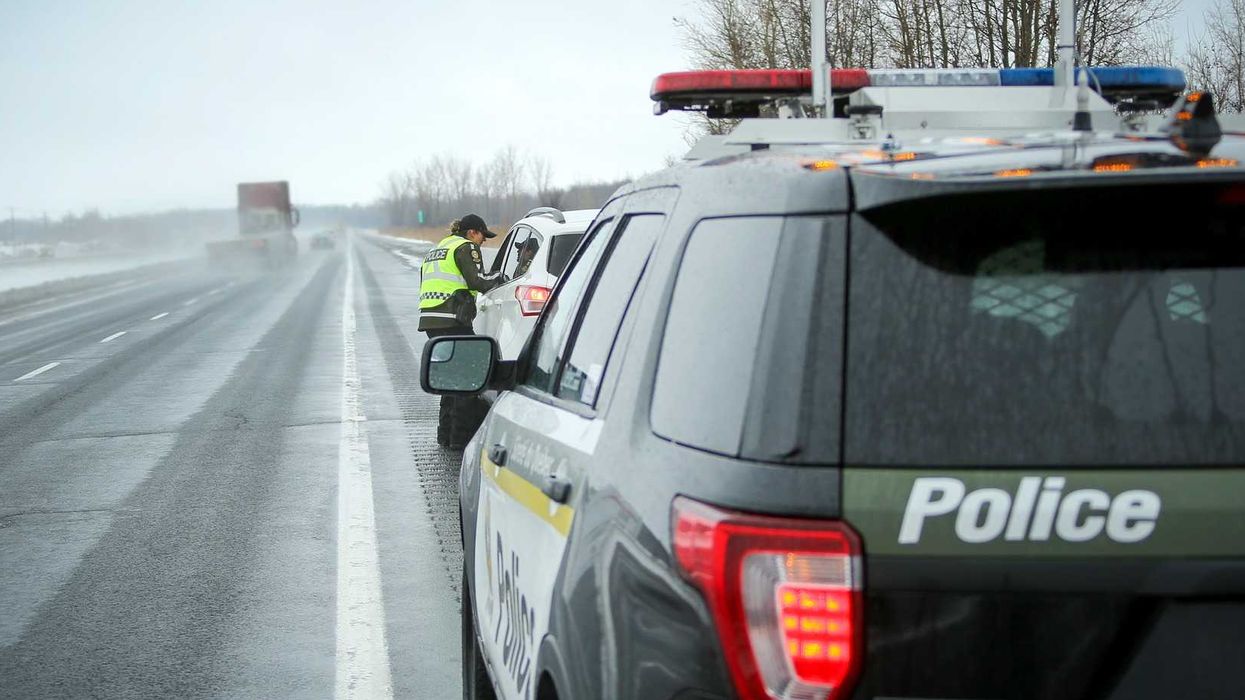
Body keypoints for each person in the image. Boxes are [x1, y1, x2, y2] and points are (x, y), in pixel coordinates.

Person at [419, 214, 502, 448]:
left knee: (451, 378)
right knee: (468, 377)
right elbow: (477, 281)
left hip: (431, 319)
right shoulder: (466, 247)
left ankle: (445, 435)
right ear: (472, 232)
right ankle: (460, 440)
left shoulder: (439, 248)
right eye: (482, 236)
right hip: (452, 318)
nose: (483, 241)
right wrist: (503, 277)